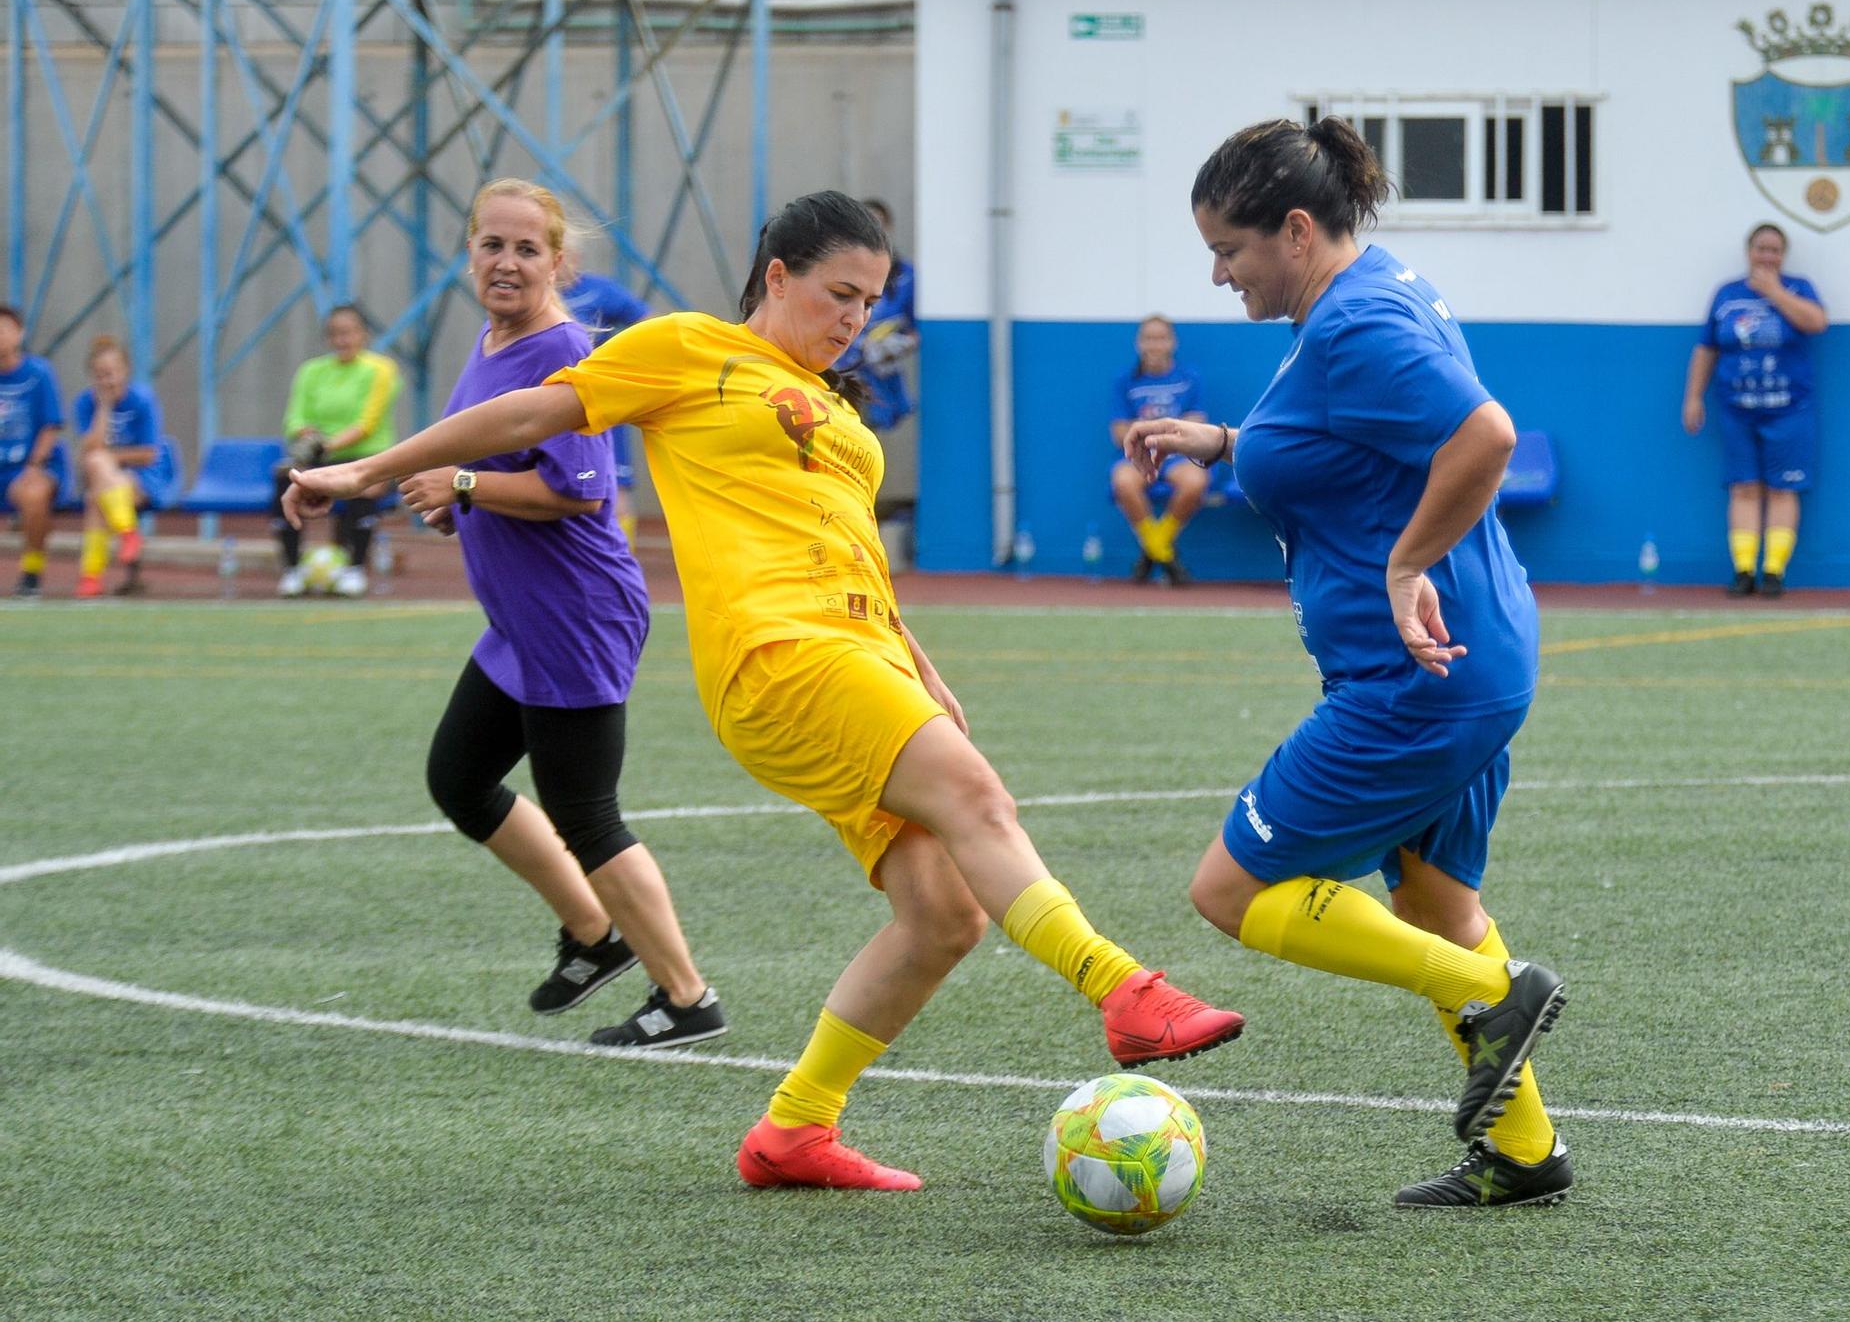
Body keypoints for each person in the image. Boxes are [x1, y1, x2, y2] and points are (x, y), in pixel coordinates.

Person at [286, 188, 1242, 1193]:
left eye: (869, 302)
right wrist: (366, 472)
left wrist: (919, 662)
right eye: (838, 293)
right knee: (977, 800)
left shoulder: (834, 404)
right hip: (779, 657)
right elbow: (531, 411)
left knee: (942, 916)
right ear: (776, 275)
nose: (853, 320)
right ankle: (1123, 988)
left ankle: (793, 1130)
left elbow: (847, 544)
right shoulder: (689, 349)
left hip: (859, 653)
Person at [1125, 118, 1571, 1209]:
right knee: (1432, 897)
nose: (1216, 272)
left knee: (1229, 890)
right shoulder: (1365, 290)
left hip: (1413, 672)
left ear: (1292, 228)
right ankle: (1524, 1153)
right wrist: (1228, 443)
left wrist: (1404, 562)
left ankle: (1491, 993)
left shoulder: (1354, 321)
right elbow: (1361, 437)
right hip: (1470, 658)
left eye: (1228, 249)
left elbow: (1485, 437)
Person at [379, 179, 723, 1047]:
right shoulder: (495, 338)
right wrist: (457, 492)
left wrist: (460, 483)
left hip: (576, 615)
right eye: (491, 244)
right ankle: (592, 934)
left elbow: (578, 489)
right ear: (470, 253)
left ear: (559, 263)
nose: (506, 261)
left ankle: (686, 997)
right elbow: (492, 461)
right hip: (522, 622)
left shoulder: (565, 350)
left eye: (527, 249)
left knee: (588, 813)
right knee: (459, 778)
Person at [1681, 223, 1828, 599]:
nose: (1767, 255)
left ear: (1783, 255)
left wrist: (1774, 292)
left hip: (1789, 408)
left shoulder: (1798, 288)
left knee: (1784, 488)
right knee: (1743, 487)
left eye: (1774, 249)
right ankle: (1744, 570)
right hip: (1737, 409)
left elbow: (1817, 323)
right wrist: (1693, 397)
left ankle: (1774, 571)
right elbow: (1706, 349)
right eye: (1761, 248)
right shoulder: (1727, 295)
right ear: (1748, 251)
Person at [274, 304, 402, 598]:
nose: (342, 340)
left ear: (364, 335)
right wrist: (307, 437)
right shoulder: (311, 371)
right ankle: (292, 569)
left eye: (349, 333)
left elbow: (366, 423)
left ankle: (354, 569)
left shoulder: (381, 369)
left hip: (368, 456)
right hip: (318, 458)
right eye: (334, 334)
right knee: (285, 479)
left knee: (362, 486)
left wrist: (326, 445)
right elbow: (294, 418)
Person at [1110, 314, 1209, 585]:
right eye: (1148, 339)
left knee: (1196, 481)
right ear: (1139, 343)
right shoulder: (1125, 381)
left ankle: (1153, 548)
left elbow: (1197, 424)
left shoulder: (1189, 378)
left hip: (1178, 456)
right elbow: (1119, 433)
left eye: (1161, 338)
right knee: (1123, 481)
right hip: (1138, 456)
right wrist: (1166, 428)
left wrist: (1146, 429)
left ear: (1172, 343)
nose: (1154, 345)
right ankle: (1165, 553)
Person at [72, 335, 174, 598]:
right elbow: (90, 446)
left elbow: (149, 454)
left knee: (98, 475)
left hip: (143, 479)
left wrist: (109, 458)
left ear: (125, 371)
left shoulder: (143, 400)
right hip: (108, 481)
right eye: (100, 375)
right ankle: (127, 533)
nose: (107, 381)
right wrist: (104, 407)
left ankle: (91, 574)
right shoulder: (86, 403)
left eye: (112, 373)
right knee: (97, 486)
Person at [561, 268, 651, 544]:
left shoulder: (598, 290)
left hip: (599, 401)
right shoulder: (536, 296)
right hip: (555, 404)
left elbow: (647, 321)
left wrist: (622, 362)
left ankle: (622, 555)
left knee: (615, 484)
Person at [834, 198, 917, 435]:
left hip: (878, 377)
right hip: (838, 372)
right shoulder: (835, 270)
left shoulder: (905, 276)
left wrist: (898, 346)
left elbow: (916, 328)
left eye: (878, 223)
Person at [0, 305, 67, 598]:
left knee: (34, 494)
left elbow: (50, 426)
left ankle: (31, 572)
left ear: (19, 333)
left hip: (27, 466)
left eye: (4, 330)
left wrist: (34, 464)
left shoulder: (38, 374)